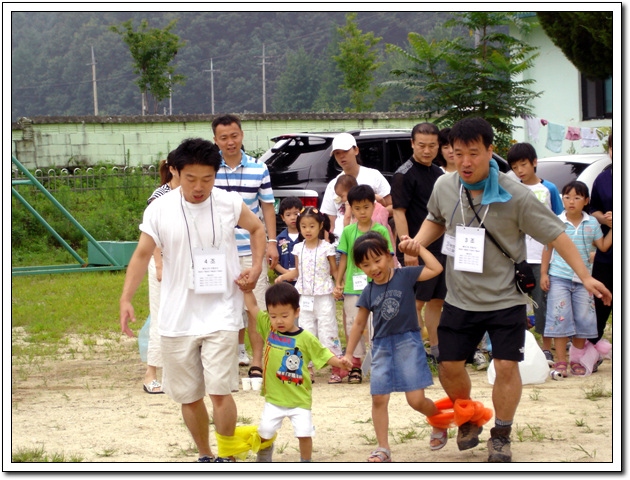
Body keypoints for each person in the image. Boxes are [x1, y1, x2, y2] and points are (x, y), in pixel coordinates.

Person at [398, 117, 611, 463]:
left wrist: (585, 276)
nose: (465, 162)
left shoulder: (516, 194)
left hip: (505, 298)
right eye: (458, 154)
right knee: (449, 365)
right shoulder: (445, 186)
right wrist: (417, 242)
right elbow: (436, 218)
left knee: (507, 366)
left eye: (474, 153)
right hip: (460, 297)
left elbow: (556, 234)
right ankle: (468, 416)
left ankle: (501, 433)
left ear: (489, 151)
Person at [119, 138, 266, 462]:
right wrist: (126, 298)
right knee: (188, 395)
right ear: (175, 172)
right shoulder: (159, 209)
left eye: (207, 179)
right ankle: (205, 455)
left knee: (219, 390)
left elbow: (257, 229)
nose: (199, 187)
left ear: (216, 174)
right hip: (177, 316)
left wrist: (256, 267)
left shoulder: (228, 203)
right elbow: (142, 254)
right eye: (191, 179)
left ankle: (227, 455)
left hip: (222, 311)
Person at [342, 232, 447, 462]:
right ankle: (383, 448)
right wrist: (349, 353)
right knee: (379, 398)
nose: (373, 268)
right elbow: (359, 323)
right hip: (381, 347)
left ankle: (439, 422)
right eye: (366, 264)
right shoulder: (369, 290)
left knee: (416, 401)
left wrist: (417, 248)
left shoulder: (404, 275)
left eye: (377, 260)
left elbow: (436, 268)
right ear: (359, 267)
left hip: (408, 343)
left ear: (389, 256)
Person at [241, 283, 352, 462]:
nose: (279, 321)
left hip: (299, 399)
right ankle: (264, 458)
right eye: (273, 316)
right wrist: (247, 291)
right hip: (274, 398)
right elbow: (253, 307)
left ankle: (305, 462)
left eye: (284, 316)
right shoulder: (269, 327)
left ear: (297, 312)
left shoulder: (305, 338)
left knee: (304, 433)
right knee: (265, 431)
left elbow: (323, 353)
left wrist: (339, 362)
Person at [212, 114, 276, 378]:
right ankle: (225, 362)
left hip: (252, 250)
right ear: (215, 140)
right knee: (221, 308)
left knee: (256, 308)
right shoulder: (209, 169)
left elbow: (267, 207)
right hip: (217, 251)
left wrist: (272, 242)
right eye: (224, 137)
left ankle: (257, 362)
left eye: (234, 135)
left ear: (242, 135)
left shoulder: (259, 168)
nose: (230, 142)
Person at [540, 181, 612, 377]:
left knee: (584, 319)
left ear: (586, 201)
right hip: (559, 277)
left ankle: (576, 360)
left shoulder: (592, 223)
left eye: (577, 197)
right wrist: (544, 273)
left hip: (584, 280)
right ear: (562, 199)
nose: (571, 201)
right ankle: (561, 361)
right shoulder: (556, 221)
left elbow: (603, 246)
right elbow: (547, 248)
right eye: (567, 197)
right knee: (559, 318)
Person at [392, 122, 447, 366]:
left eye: (432, 146)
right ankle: (411, 350)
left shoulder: (438, 174)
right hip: (415, 248)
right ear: (412, 144)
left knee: (437, 301)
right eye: (422, 145)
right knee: (414, 303)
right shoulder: (404, 174)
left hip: (440, 247)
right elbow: (399, 212)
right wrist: (408, 249)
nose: (427, 150)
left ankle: (436, 350)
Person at [507, 142, 563, 366]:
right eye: (515, 167)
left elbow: (559, 221)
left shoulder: (549, 189)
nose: (519, 170)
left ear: (534, 162)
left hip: (543, 257)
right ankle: (519, 346)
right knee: (516, 303)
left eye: (523, 165)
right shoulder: (512, 189)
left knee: (542, 303)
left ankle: (546, 347)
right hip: (518, 257)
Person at [275, 207, 346, 384]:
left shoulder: (327, 248)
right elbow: (297, 272)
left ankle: (336, 367)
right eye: (304, 226)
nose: (308, 230)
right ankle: (308, 368)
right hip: (304, 297)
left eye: (312, 226)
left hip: (324, 295)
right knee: (306, 330)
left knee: (327, 328)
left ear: (320, 226)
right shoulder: (298, 248)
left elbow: (334, 270)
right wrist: (283, 277)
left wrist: (339, 284)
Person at [334, 184, 394, 384]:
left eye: (366, 207)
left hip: (377, 286)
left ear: (374, 206)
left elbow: (388, 258)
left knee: (377, 324)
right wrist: (339, 282)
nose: (362, 212)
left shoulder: (381, 231)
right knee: (353, 324)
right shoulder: (348, 231)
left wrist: (391, 281)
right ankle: (356, 365)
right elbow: (344, 257)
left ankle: (379, 364)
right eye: (357, 208)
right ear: (351, 208)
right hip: (353, 288)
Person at [142, 158, 180, 394]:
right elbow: (152, 233)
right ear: (173, 169)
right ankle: (151, 373)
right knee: (160, 315)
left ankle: (177, 373)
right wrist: (159, 264)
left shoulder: (191, 194)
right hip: (162, 261)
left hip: (183, 260)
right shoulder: (159, 196)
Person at [320, 132, 392, 241]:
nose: (341, 156)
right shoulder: (333, 185)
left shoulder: (374, 176)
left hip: (371, 241)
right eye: (337, 153)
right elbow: (329, 222)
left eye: (345, 151)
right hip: (340, 243)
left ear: (356, 150)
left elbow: (392, 207)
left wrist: (372, 214)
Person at [588, 133, 613, 357]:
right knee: (600, 302)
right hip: (608, 252)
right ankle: (592, 348)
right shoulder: (603, 178)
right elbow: (593, 208)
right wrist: (605, 220)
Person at [334, 174, 398, 263]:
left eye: (342, 196)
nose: (341, 199)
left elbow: (347, 216)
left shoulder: (350, 203)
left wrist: (346, 229)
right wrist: (382, 205)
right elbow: (380, 198)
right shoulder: (369, 197)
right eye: (357, 208)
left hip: (358, 228)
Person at [274, 197, 303, 286]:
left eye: (296, 214)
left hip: (305, 281)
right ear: (282, 217)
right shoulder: (279, 239)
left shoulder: (307, 237)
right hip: (285, 282)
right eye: (288, 215)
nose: (293, 218)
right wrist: (286, 273)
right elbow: (274, 262)